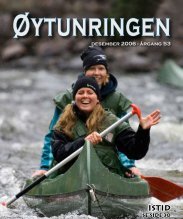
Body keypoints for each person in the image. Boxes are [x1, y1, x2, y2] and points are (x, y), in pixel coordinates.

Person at [32, 46, 140, 177]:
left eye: (101, 68)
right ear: (84, 71)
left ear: (107, 72)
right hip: (71, 159)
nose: (97, 73)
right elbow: (53, 136)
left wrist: (129, 165)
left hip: (106, 161)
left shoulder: (117, 100)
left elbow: (124, 136)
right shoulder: (68, 98)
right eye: (92, 68)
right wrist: (45, 167)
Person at [51, 76, 161, 177]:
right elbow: (59, 154)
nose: (85, 96)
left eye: (90, 92)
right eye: (80, 92)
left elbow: (136, 152)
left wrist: (143, 131)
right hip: (71, 176)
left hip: (106, 176)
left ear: (97, 99)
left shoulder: (111, 121)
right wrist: (84, 142)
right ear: (75, 98)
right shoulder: (63, 122)